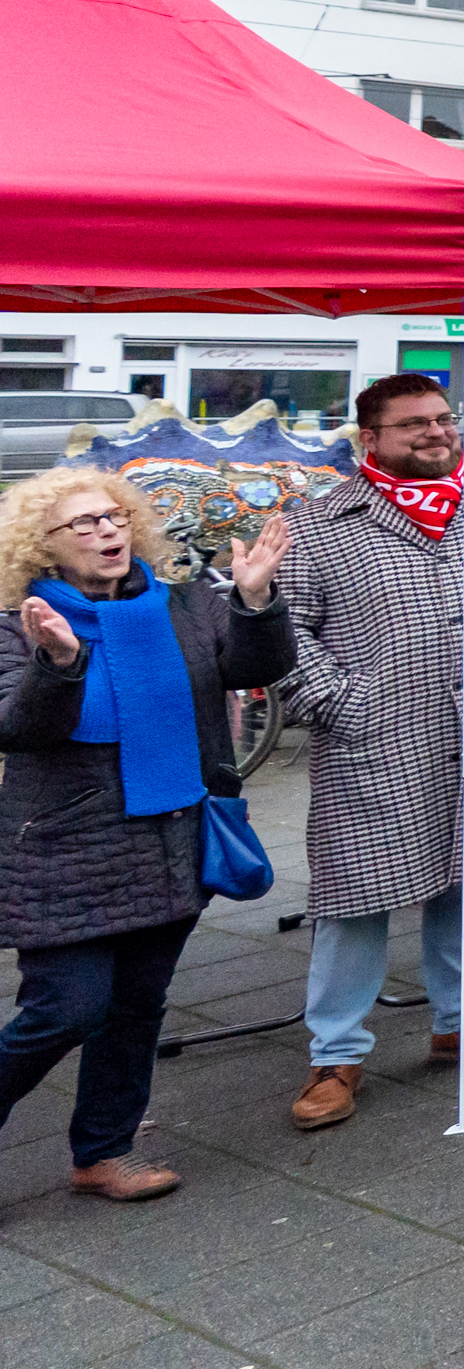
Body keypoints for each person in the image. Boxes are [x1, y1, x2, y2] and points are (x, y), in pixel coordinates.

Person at [280, 373, 464, 1131]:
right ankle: (336, 1053)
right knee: (355, 897)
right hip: (375, 735)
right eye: (414, 425)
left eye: (443, 419)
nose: (437, 433)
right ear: (368, 438)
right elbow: (287, 631)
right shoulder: (318, 523)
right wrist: (340, 702)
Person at [0, 471, 293, 1198]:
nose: (106, 532)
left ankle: (103, 1151)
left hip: (169, 839)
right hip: (65, 847)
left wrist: (254, 602)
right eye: (83, 525)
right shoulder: (18, 623)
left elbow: (252, 669)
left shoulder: (184, 605)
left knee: (136, 1006)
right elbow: (17, 726)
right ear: (44, 544)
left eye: (113, 518)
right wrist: (59, 664)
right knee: (64, 1010)